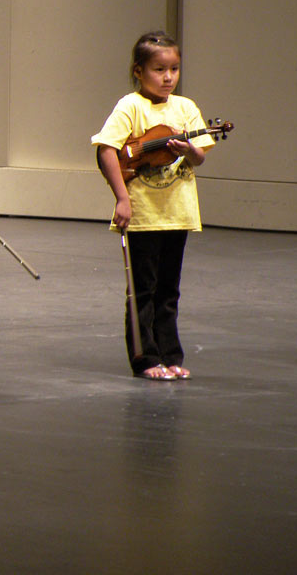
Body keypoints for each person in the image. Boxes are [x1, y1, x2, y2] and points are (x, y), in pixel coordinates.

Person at [92, 31, 215, 381]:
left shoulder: (186, 108)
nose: (168, 77)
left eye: (174, 69)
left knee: (169, 290)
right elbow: (107, 150)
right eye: (159, 69)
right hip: (144, 214)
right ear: (138, 70)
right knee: (143, 289)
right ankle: (145, 358)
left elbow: (200, 156)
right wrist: (122, 198)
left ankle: (171, 354)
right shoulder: (130, 106)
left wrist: (190, 150)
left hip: (177, 212)